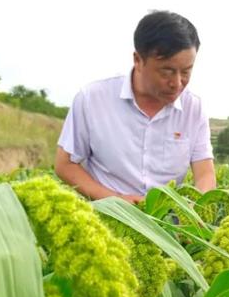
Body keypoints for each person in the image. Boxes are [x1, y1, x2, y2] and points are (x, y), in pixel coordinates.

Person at [56, 11, 216, 204]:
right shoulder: (92, 99)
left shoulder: (194, 108)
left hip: (168, 228)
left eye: (186, 72)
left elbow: (205, 173)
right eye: (167, 71)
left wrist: (194, 209)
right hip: (110, 220)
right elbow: (65, 164)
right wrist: (117, 201)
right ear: (138, 60)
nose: (177, 83)